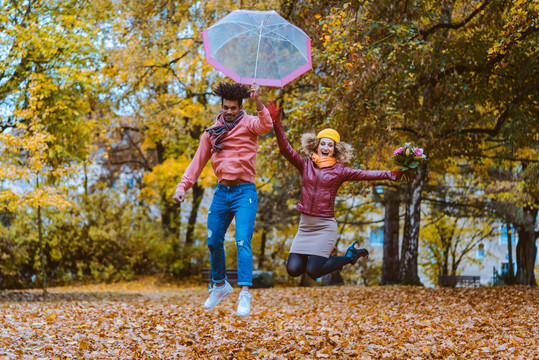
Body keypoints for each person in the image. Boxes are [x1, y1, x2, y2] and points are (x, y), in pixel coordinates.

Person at [267, 100, 406, 280]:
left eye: (330, 145)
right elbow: (285, 149)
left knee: (313, 271)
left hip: (325, 226)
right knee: (293, 269)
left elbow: (365, 174)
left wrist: (391, 174)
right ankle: (345, 256)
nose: (326, 147)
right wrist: (277, 123)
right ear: (316, 145)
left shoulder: (340, 170)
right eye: (323, 144)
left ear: (335, 150)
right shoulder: (305, 165)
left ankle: (349, 257)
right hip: (305, 226)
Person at [173, 82, 272, 316]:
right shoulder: (211, 133)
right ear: (221, 106)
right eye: (226, 107)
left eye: (234, 108)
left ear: (240, 107)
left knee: (242, 241)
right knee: (212, 240)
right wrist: (182, 186)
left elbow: (266, 124)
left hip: (244, 191)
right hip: (222, 192)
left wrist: (258, 100)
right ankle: (220, 285)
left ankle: (245, 293)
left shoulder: (249, 124)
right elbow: (197, 163)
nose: (229, 111)